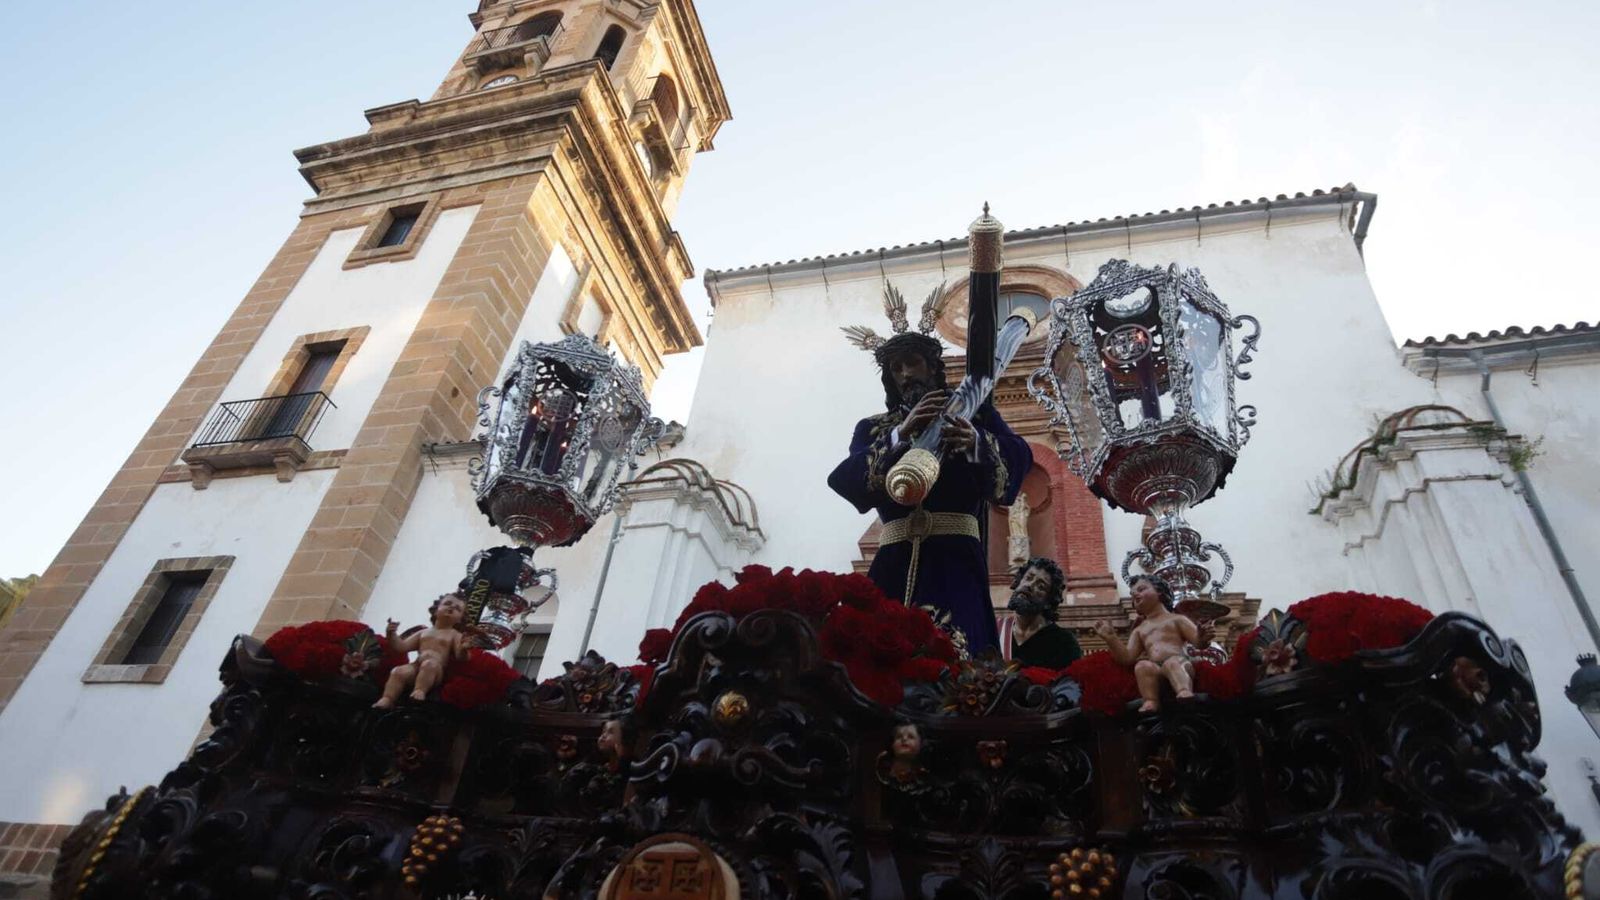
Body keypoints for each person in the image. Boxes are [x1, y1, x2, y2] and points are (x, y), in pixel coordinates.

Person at [829, 285, 1031, 655]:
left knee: (959, 656)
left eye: (913, 363)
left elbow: (1019, 458)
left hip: (956, 559)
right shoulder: (873, 428)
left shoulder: (974, 413)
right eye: (896, 368)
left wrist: (975, 442)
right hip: (893, 559)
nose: (906, 374)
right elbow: (847, 480)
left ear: (933, 367)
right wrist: (900, 435)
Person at [1093, 575, 1199, 713]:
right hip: (1156, 668)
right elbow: (1127, 658)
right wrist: (1111, 639)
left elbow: (1197, 641)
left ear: (1159, 591)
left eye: (1141, 589)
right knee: (1142, 666)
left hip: (1180, 662)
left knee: (1172, 663)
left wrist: (1203, 636)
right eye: (1132, 595)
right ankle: (1150, 700)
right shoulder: (1140, 630)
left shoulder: (1177, 619)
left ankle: (1183, 690)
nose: (1136, 595)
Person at [374, 593, 471, 708]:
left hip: (435, 670)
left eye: (457, 609)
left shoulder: (455, 635)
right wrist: (391, 634)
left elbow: (461, 657)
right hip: (416, 666)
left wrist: (464, 648)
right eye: (447, 604)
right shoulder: (423, 632)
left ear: (460, 619)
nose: (451, 608)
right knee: (398, 671)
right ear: (436, 610)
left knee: (429, 665)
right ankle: (388, 698)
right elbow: (401, 647)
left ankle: (420, 691)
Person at [1000, 556, 1083, 669]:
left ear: (1049, 602)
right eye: (1028, 578)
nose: (1029, 585)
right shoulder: (996, 631)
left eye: (1040, 586)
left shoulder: (1064, 642)